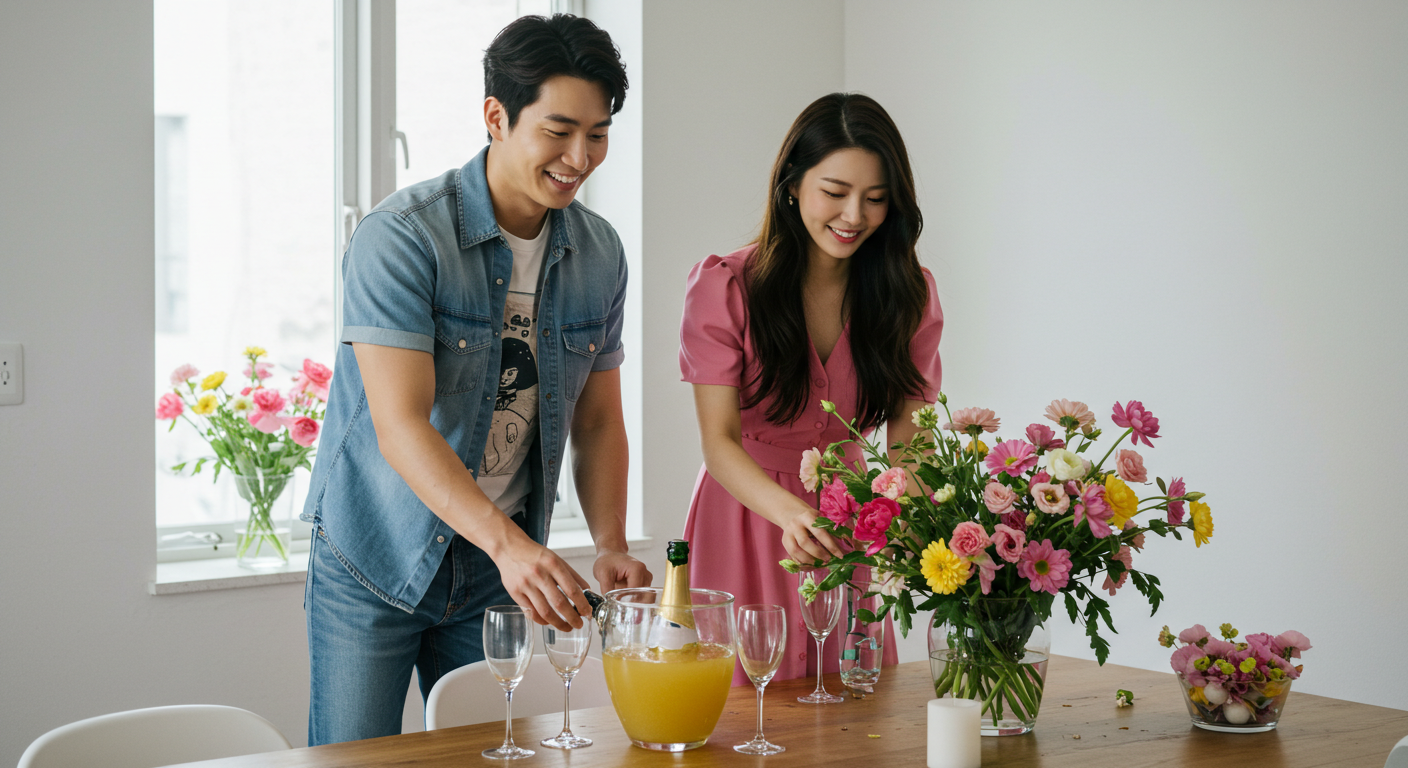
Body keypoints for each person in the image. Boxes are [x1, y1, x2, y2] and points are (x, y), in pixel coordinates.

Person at [302, 14, 650, 745]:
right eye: (558, 130)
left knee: (498, 758)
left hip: (496, 569)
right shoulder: (400, 237)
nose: (579, 156)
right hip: (378, 552)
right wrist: (509, 545)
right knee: (353, 758)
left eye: (598, 133)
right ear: (496, 116)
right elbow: (401, 425)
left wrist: (610, 540)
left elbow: (596, 419)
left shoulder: (599, 253)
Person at [679, 93, 944, 686]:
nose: (854, 215)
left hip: (853, 517)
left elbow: (911, 436)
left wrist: (890, 516)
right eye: (835, 192)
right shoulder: (725, 286)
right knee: (738, 707)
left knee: (856, 708)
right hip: (743, 513)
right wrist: (792, 514)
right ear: (792, 184)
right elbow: (718, 442)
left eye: (876, 199)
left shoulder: (909, 296)